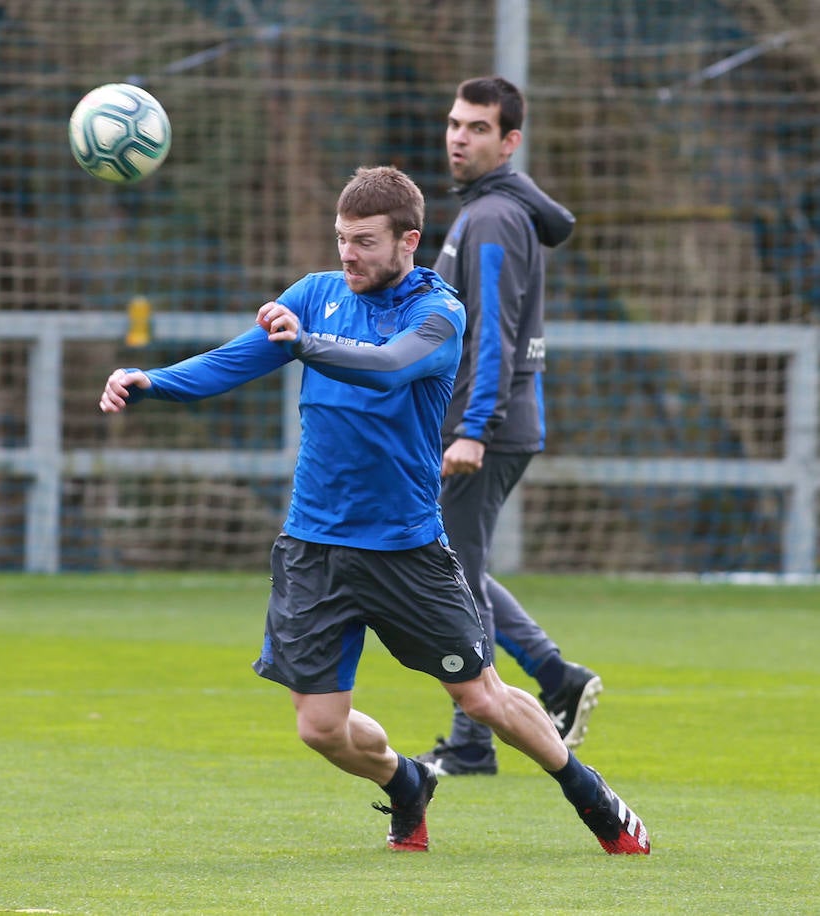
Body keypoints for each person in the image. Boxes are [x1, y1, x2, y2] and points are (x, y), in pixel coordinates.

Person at [98, 165, 650, 855]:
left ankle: (589, 793)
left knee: (481, 698)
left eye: (363, 241)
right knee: (320, 728)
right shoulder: (316, 294)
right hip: (314, 547)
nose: (348, 254)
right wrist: (151, 381)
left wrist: (304, 343)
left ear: (407, 241)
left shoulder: (439, 314)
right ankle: (406, 781)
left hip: (405, 550)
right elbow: (236, 360)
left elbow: (388, 365)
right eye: (341, 238)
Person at [418, 76, 603, 778]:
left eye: (477, 128)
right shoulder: (485, 210)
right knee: (453, 561)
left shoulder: (493, 219)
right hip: (485, 423)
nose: (459, 138)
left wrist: (473, 428)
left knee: (454, 572)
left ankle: (472, 739)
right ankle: (556, 677)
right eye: (454, 123)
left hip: (485, 430)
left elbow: (493, 334)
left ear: (509, 142)